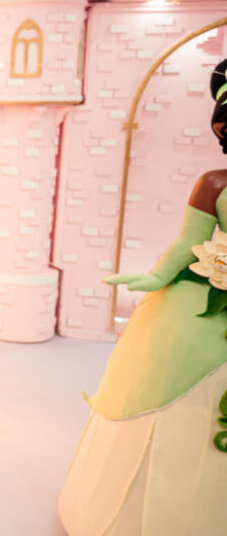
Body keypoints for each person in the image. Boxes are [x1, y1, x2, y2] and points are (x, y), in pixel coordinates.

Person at [57, 59, 227, 535]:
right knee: (171, 392)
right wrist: (157, 276)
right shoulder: (215, 184)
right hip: (205, 306)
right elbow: (188, 241)